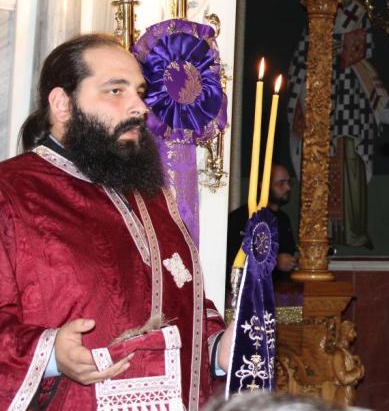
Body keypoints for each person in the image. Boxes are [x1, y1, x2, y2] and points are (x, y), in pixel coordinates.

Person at [0, 33, 233, 409]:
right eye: (115, 91)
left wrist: (219, 347)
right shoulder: (10, 192)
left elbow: (181, 305)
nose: (139, 107)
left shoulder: (153, 196)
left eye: (139, 92)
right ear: (62, 104)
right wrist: (50, 354)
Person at [226, 163, 297, 285]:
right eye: (281, 183)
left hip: (281, 290)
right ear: (263, 186)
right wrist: (275, 261)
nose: (288, 188)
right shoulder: (242, 217)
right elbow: (236, 258)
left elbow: (288, 252)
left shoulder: (284, 219)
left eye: (289, 182)